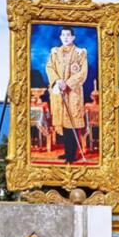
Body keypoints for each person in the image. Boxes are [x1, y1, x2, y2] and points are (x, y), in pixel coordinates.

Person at [45, 26, 88, 163]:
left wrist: (67, 83)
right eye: (63, 35)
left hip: (73, 93)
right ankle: (67, 151)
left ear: (73, 37)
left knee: (72, 123)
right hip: (59, 91)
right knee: (63, 124)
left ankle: (72, 155)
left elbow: (82, 73)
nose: (65, 38)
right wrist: (57, 81)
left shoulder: (80, 53)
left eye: (68, 35)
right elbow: (49, 67)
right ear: (60, 37)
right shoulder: (55, 52)